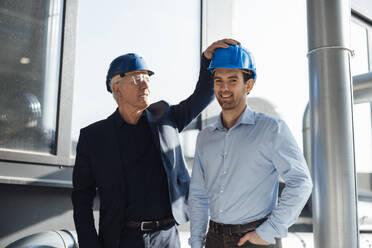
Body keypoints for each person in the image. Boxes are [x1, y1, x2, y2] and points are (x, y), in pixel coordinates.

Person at [71, 39, 239, 248]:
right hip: (122, 240)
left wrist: (207, 61)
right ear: (116, 88)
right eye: (136, 78)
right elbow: (81, 199)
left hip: (167, 237)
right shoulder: (93, 138)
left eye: (147, 77)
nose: (145, 84)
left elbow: (202, 96)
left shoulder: (166, 118)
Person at [188, 44, 313, 248]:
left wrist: (269, 231)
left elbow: (301, 182)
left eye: (233, 80)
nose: (224, 88)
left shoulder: (272, 130)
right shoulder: (205, 138)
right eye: (218, 80)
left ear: (249, 85)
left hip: (255, 239)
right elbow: (198, 195)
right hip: (213, 239)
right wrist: (196, 241)